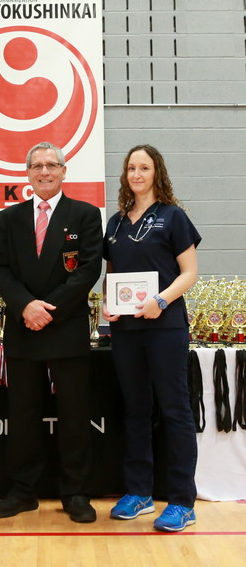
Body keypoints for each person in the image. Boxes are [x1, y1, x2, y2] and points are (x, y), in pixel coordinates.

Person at [0, 141, 102, 522]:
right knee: (23, 415)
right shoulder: (10, 218)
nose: (44, 172)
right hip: (24, 328)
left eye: (52, 165)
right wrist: (26, 306)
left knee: (74, 414)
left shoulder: (85, 215)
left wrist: (47, 309)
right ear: (28, 173)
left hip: (66, 327)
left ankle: (76, 493)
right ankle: (23, 492)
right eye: (36, 166)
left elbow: (88, 269)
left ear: (64, 171)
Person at [102, 144, 201, 532]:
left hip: (165, 326)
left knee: (175, 410)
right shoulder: (115, 223)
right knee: (135, 410)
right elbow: (112, 274)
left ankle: (182, 501)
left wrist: (160, 300)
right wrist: (108, 306)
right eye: (131, 168)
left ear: (157, 172)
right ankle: (139, 492)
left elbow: (189, 272)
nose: (136, 174)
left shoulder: (174, 217)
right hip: (126, 330)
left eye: (144, 168)